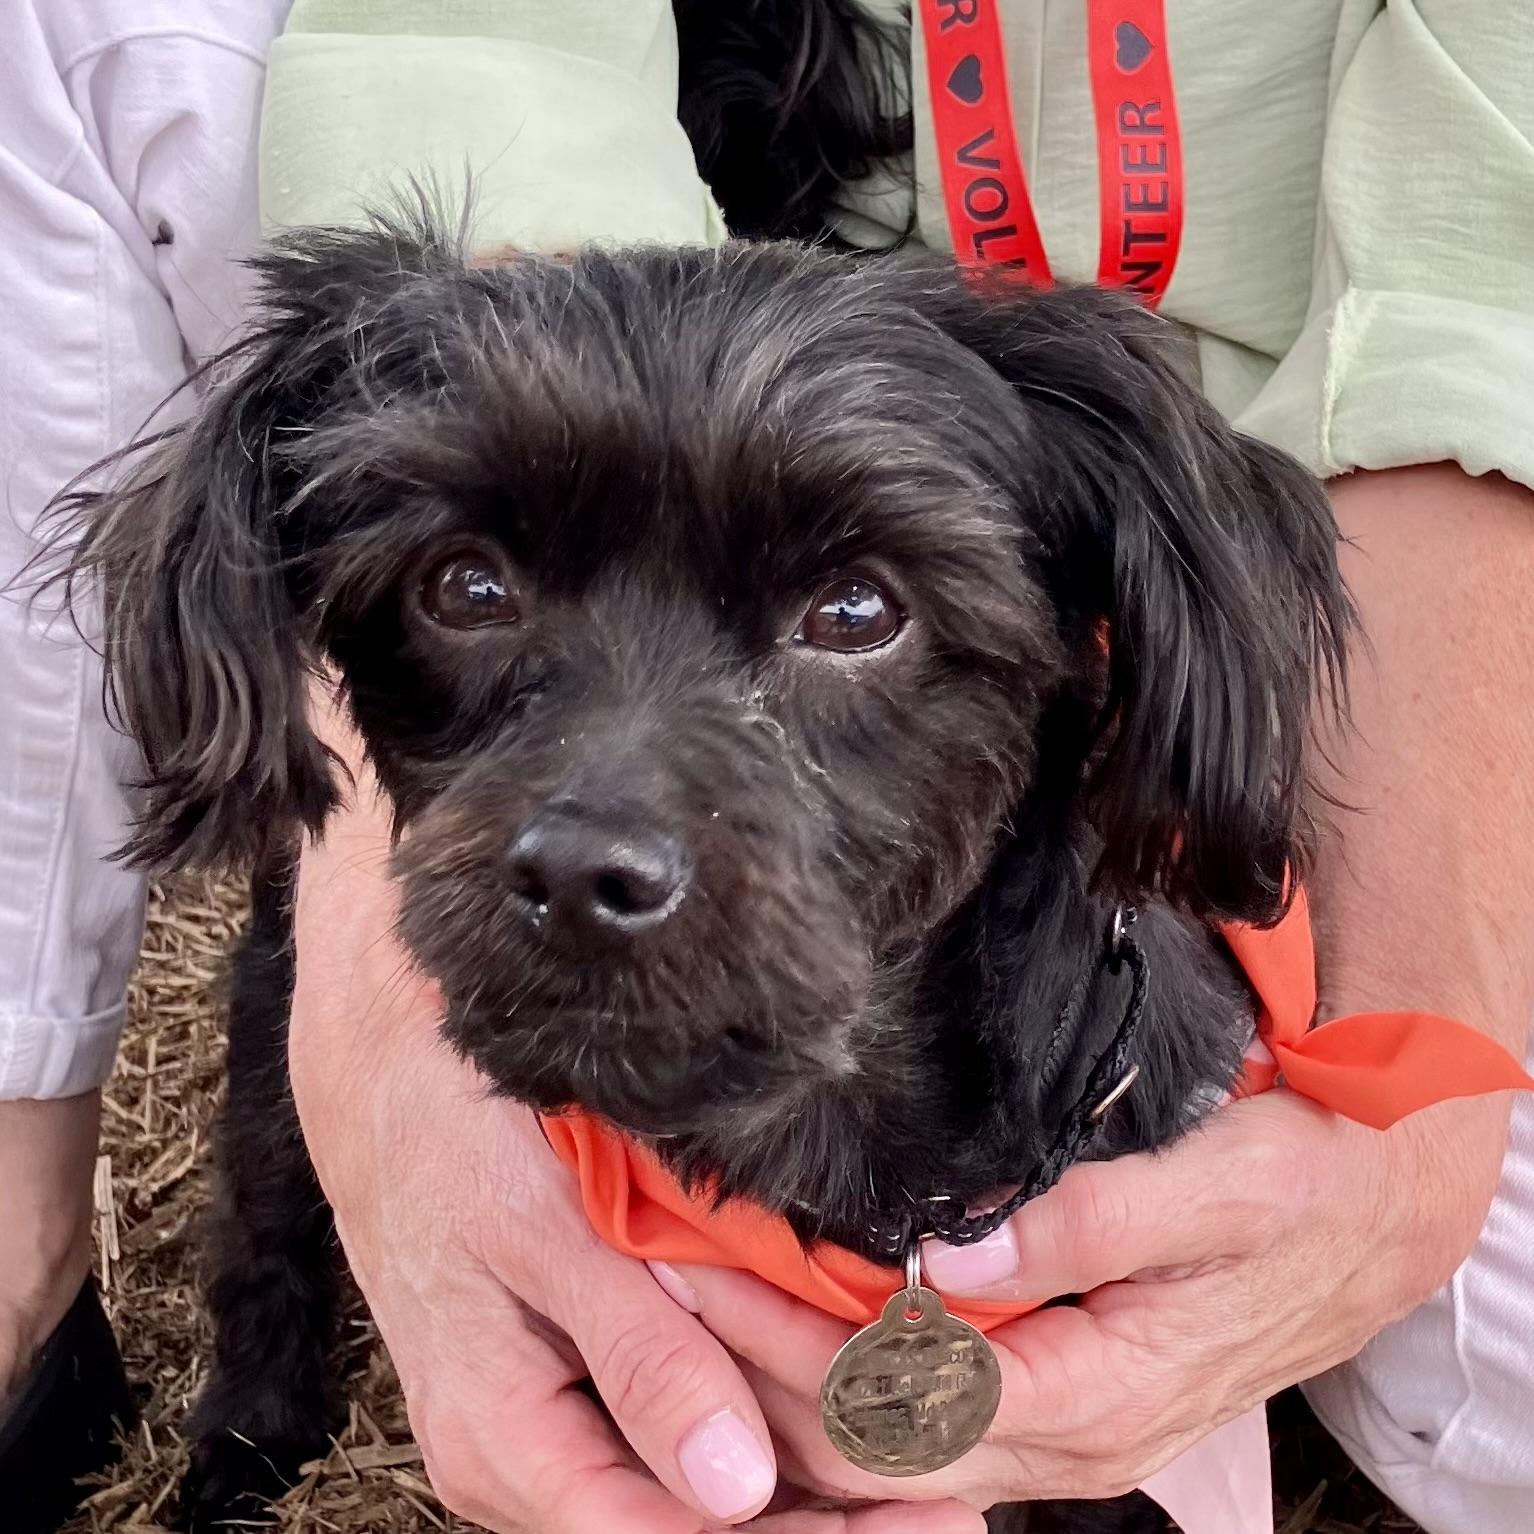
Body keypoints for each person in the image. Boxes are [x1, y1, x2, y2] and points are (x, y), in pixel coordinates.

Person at [2, 2, 1531, 1532]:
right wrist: (363, 1005)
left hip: (1320, 481)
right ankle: (125, 1315)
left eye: (847, 613)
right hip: (657, 223)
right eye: (471, 594)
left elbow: (1488, 279)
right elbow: (471, 49)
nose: (605, 828)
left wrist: (1410, 1099)